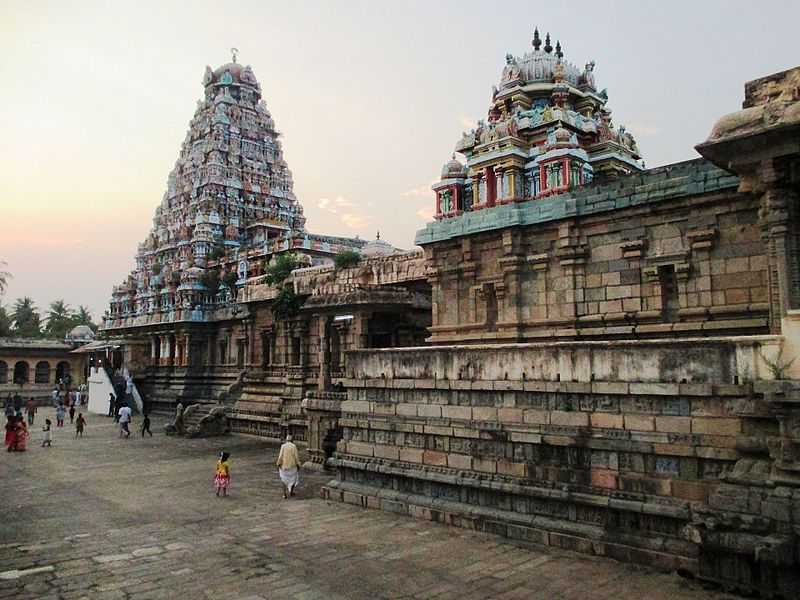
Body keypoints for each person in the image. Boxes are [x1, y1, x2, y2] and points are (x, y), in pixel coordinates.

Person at [276, 434, 300, 499]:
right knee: (293, 479)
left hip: (284, 466)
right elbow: (296, 457)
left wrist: (278, 464)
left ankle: (284, 494)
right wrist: (298, 465)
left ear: (286, 440)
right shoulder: (294, 446)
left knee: (284, 480)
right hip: (292, 466)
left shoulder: (283, 446)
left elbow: (280, 456)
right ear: (292, 440)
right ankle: (291, 492)